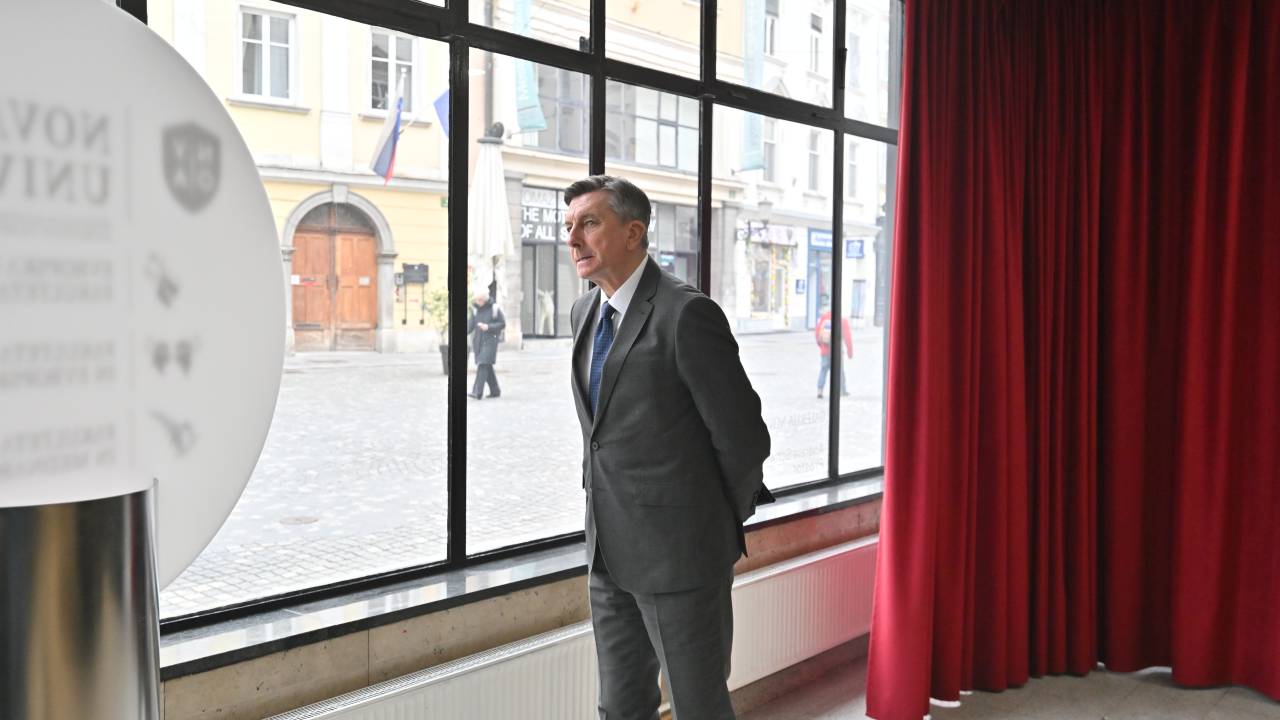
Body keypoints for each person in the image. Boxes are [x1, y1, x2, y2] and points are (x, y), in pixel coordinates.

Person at [563, 175, 772, 720]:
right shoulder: (584, 313)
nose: (573, 238)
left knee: (698, 706)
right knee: (619, 706)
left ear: (633, 233)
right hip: (607, 552)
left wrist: (706, 524)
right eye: (569, 225)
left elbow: (744, 437)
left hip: (683, 558)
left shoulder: (686, 314)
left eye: (589, 223)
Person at [466, 289, 505, 399]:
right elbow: (470, 326)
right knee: (487, 365)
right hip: (478, 341)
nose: (478, 302)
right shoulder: (474, 310)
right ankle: (495, 390)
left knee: (483, 363)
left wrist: (489, 327)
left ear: (485, 300)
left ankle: (477, 392)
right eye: (477, 300)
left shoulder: (494, 308)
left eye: (480, 300)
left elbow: (502, 324)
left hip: (491, 340)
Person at [815, 299, 852, 399]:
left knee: (823, 370)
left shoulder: (824, 318)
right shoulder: (842, 320)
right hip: (837, 352)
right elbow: (847, 338)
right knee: (840, 371)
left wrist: (821, 346)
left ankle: (820, 390)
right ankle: (842, 390)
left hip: (825, 351)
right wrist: (850, 352)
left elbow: (817, 334)